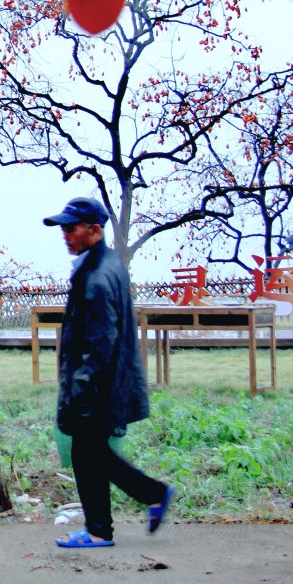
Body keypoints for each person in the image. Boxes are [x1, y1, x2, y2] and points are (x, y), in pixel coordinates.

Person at [44, 196, 172, 548]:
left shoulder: (97, 276)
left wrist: (80, 388)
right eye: (63, 228)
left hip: (97, 385)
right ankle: (150, 496)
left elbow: (101, 340)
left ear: (94, 230)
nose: (65, 235)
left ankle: (103, 528)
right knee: (93, 453)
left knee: (87, 455)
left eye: (71, 228)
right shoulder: (105, 264)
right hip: (107, 382)